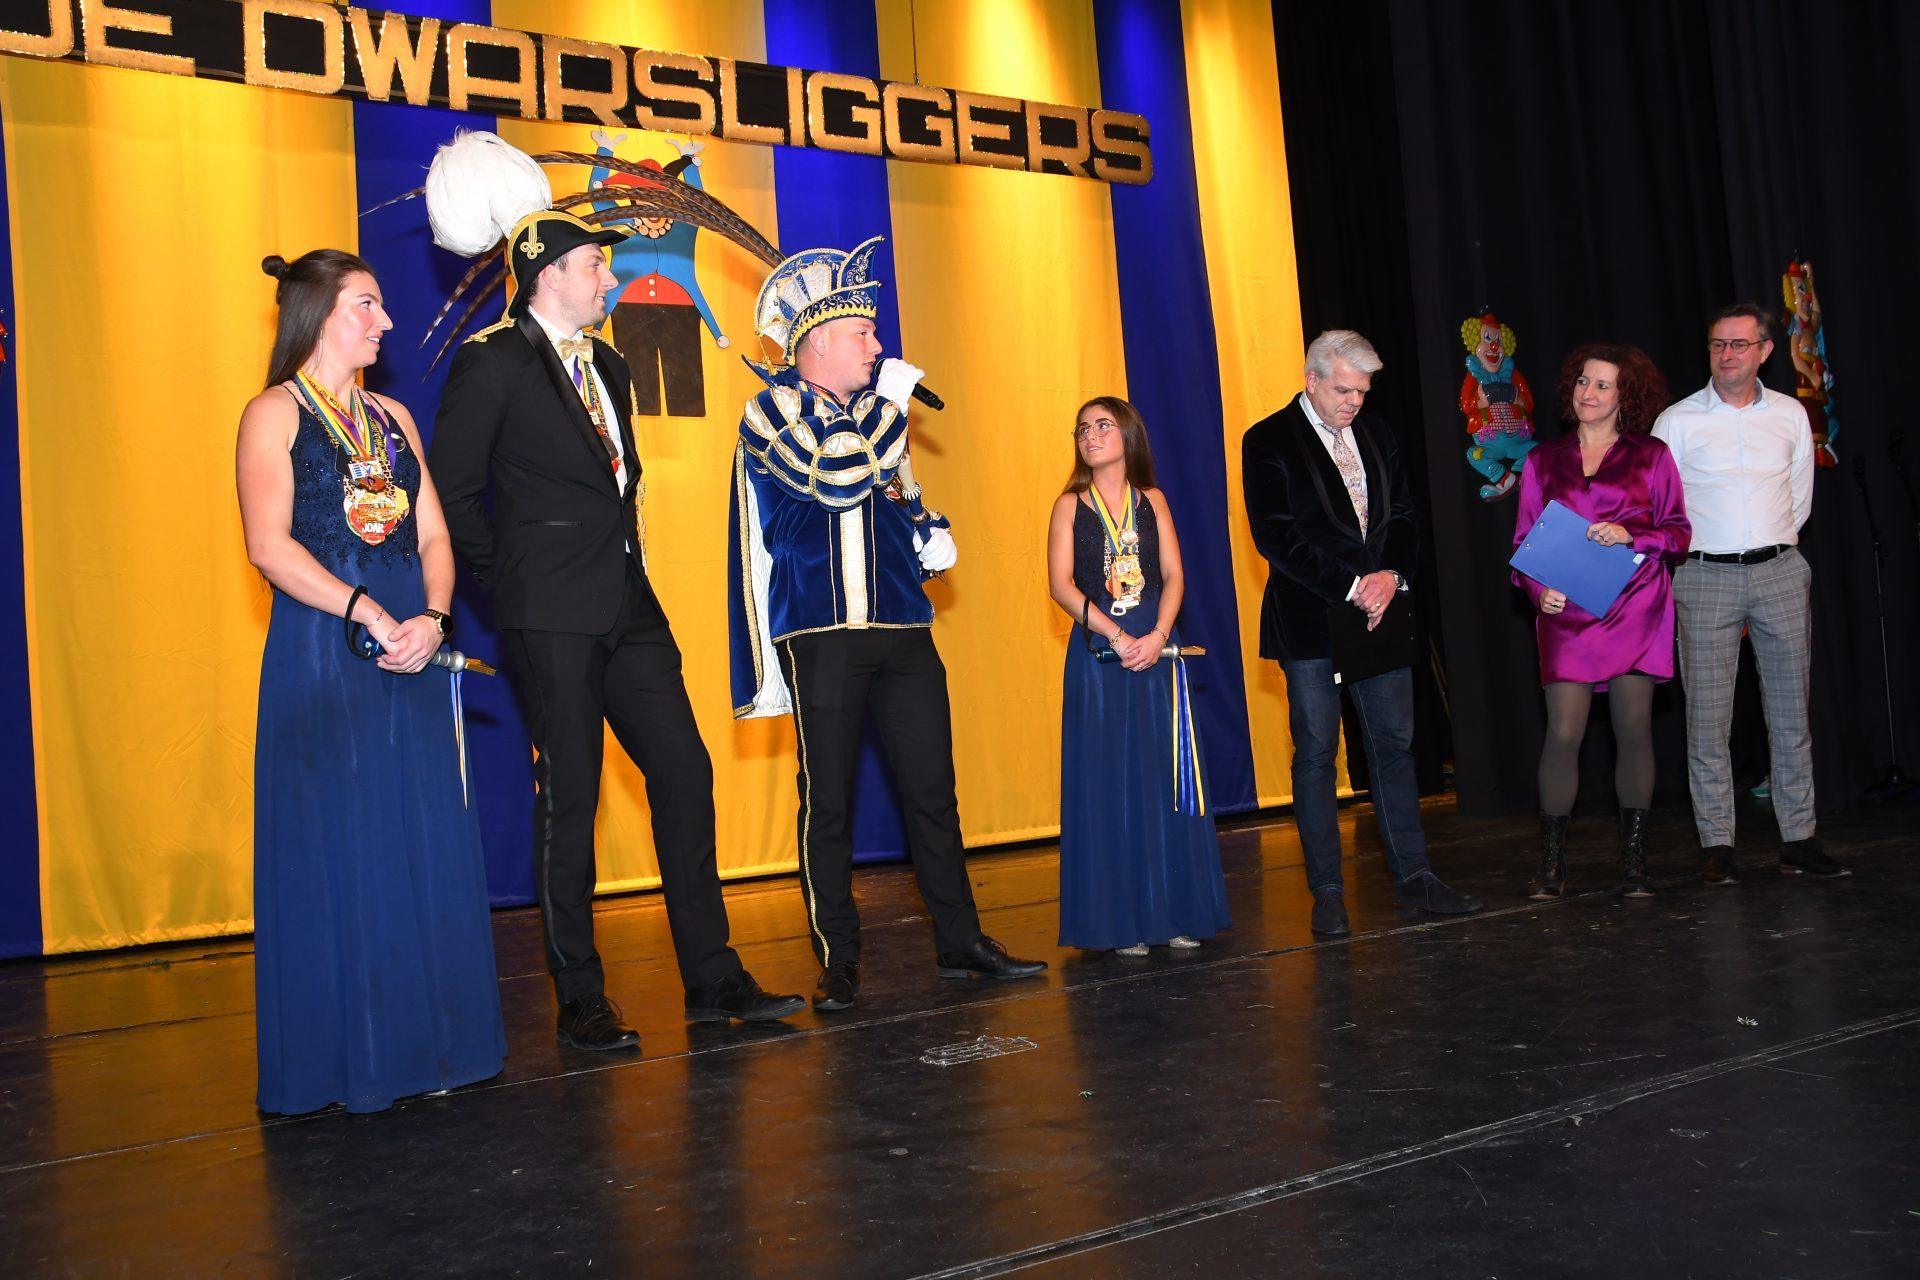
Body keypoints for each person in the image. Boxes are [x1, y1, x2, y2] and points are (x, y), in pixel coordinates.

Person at [429, 210, 804, 1051]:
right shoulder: (494, 361)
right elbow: (453, 494)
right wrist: (511, 587)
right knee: (572, 794)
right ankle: (579, 995)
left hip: (628, 606)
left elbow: (614, 488)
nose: (610, 278)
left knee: (685, 770)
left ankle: (712, 977)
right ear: (549, 275)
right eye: (596, 265)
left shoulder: (609, 363)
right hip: (548, 613)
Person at [728, 236, 1046, 1012]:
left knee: (933, 790)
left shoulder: (880, 419)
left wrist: (926, 530)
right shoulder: (771, 411)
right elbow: (837, 477)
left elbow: (890, 494)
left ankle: (960, 939)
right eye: (863, 333)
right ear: (818, 342)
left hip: (903, 625)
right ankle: (838, 956)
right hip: (823, 630)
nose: (877, 346)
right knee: (829, 800)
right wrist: (893, 411)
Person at [238, 250, 504, 1113]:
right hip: (325, 646)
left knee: (421, 834)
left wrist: (433, 616)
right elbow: (268, 545)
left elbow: (434, 534)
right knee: (345, 844)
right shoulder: (273, 414)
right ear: (318, 313)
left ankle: (433, 1048)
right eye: (367, 304)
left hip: (410, 644)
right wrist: (365, 611)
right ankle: (351, 1060)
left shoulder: (392, 417)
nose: (385, 320)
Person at [1242, 330, 1479, 937]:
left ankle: (1415, 876)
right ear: (1311, 380)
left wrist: (1390, 577)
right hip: (1313, 618)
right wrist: (1354, 586)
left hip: (1380, 610)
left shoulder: (1377, 433)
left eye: (1363, 392)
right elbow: (1276, 536)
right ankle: (1326, 892)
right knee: (1317, 752)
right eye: (1344, 390)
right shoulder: (1267, 439)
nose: (1354, 402)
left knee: (1394, 747)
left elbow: (1403, 515)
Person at [1652, 304, 1849, 881]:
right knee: (1707, 718)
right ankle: (1717, 844)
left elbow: (1799, 498)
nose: (1727, 354)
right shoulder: (1677, 421)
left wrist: (1769, 544)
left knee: (1790, 713)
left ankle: (1799, 837)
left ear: (1765, 350)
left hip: (1779, 571)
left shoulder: (1789, 415)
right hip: (1704, 574)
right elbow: (1661, 507)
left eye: (1740, 344)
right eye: (1718, 344)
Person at [1046, 397, 1231, 955]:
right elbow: (1061, 586)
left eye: (1102, 426)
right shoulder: (1068, 505)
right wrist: (1118, 636)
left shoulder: (1153, 500)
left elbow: (1174, 576)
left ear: (1128, 435)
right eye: (1082, 428)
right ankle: (1121, 922)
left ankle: (1173, 913)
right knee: (1109, 782)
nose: (1090, 435)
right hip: (1100, 655)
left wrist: (1157, 636)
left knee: (1164, 780)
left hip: (1157, 649)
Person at [1512, 345, 1690, 899]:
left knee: (1633, 728)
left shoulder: (1652, 455)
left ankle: (1634, 861)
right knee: (1563, 732)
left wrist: (1633, 535)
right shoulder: (1543, 460)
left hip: (1636, 606)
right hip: (1568, 614)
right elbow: (1523, 546)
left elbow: (1679, 534)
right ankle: (1551, 863)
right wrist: (1539, 592)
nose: (1587, 393)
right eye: (1582, 382)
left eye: (1602, 385)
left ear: (1624, 396)